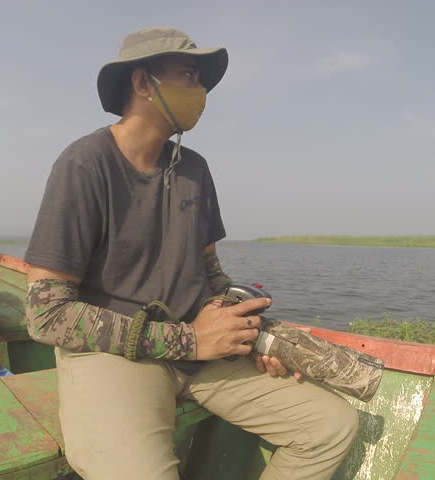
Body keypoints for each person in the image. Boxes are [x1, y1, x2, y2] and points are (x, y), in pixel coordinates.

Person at [24, 26, 359, 480]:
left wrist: (249, 333)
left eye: (201, 80)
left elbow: (210, 274)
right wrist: (190, 340)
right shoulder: (85, 164)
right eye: (188, 75)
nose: (200, 91)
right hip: (115, 357)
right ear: (143, 83)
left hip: (198, 353)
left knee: (330, 427)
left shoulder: (194, 169)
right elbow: (47, 315)